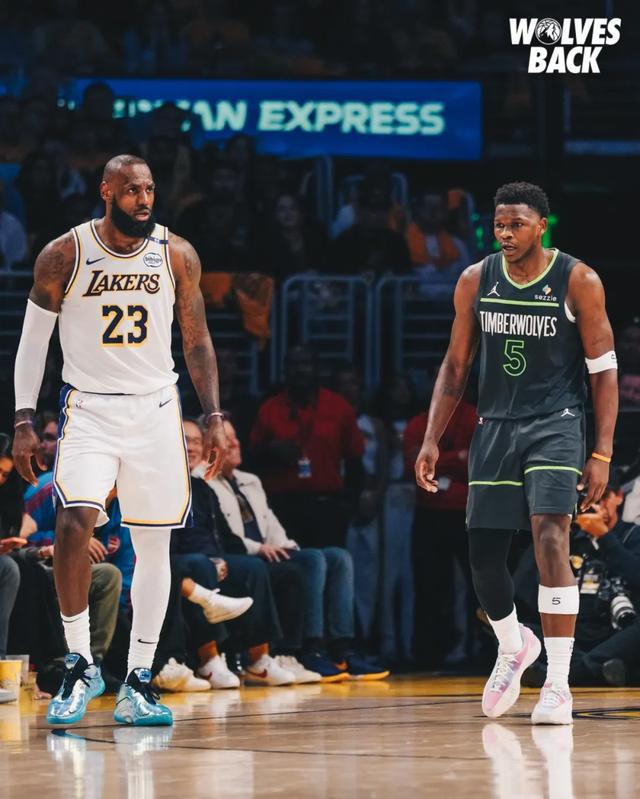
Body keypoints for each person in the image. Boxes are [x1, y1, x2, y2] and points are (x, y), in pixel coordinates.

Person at [11, 154, 229, 727]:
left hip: (156, 409)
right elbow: (33, 344)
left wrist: (212, 414)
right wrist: (24, 419)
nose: (144, 199)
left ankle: (137, 679)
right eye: (132, 190)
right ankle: (80, 664)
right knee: (73, 523)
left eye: (150, 189)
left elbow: (197, 339)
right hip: (89, 408)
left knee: (154, 545)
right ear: (107, 191)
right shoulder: (64, 253)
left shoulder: (176, 253)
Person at [415, 181, 618, 724]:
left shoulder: (577, 280)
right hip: (495, 426)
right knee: (483, 555)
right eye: (499, 225)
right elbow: (455, 366)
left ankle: (557, 683)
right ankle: (513, 644)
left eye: (517, 225)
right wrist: (433, 437)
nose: (505, 234)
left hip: (557, 425)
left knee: (550, 536)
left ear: (541, 227)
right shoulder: (474, 279)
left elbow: (604, 371)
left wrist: (601, 451)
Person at [204, 418, 389, 681]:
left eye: (235, 437)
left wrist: (287, 545)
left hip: (271, 550)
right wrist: (260, 548)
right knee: (313, 560)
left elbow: (270, 522)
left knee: (338, 557)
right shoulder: (205, 482)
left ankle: (342, 650)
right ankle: (310, 649)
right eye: (227, 438)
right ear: (211, 445)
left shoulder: (250, 480)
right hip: (247, 555)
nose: (235, 443)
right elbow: (223, 536)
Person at [250, 345, 365, 550]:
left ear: (318, 368)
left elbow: (354, 460)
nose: (300, 370)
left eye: (306, 364)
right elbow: (251, 458)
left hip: (327, 507)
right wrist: (271, 451)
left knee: (328, 564)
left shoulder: (339, 407)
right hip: (282, 507)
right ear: (284, 370)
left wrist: (349, 506)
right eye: (294, 364)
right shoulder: (269, 408)